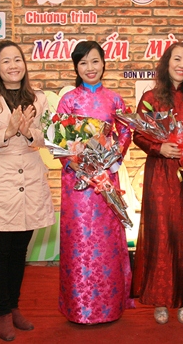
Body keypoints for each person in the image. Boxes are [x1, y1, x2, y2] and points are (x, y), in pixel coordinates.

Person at [0, 40, 55, 341]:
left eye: (17, 59)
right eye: (6, 61)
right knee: (1, 250)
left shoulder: (38, 98)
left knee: (20, 250)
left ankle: (15, 306)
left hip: (29, 177)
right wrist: (6, 131)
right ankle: (3, 313)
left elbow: (49, 137)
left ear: (24, 64)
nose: (13, 65)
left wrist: (29, 132)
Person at [131, 42, 183, 325]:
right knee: (160, 234)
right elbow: (138, 135)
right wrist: (159, 148)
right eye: (177, 59)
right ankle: (159, 299)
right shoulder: (151, 97)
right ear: (167, 63)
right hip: (158, 174)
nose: (182, 65)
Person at [56, 40, 134, 324]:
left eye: (95, 61)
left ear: (103, 63)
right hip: (77, 184)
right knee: (79, 243)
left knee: (107, 243)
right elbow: (59, 140)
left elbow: (125, 131)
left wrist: (114, 156)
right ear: (76, 67)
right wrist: (74, 163)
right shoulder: (68, 100)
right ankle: (78, 307)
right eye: (83, 63)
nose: (90, 68)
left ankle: (110, 306)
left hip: (105, 181)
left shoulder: (114, 99)